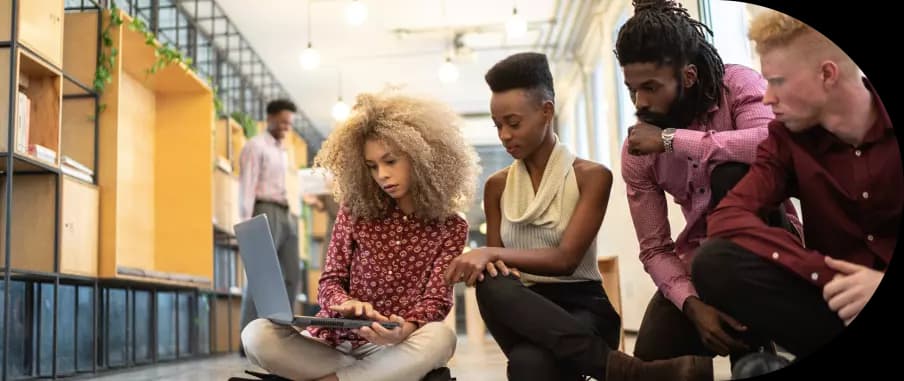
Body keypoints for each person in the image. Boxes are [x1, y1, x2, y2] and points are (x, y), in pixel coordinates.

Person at [444, 52, 711, 381]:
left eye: (513, 123)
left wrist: (490, 252)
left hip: (583, 307)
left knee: (530, 365)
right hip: (522, 306)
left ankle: (612, 368)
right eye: (498, 125)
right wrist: (489, 258)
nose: (504, 135)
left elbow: (566, 260)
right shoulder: (497, 187)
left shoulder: (592, 176)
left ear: (547, 111)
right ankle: (630, 372)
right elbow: (501, 270)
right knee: (491, 283)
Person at [692, 9, 900, 363]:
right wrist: (823, 271)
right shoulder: (786, 139)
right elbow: (727, 218)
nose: (768, 98)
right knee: (712, 262)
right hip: (835, 301)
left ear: (827, 74)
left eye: (778, 81)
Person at [240, 90, 480, 381]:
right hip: (330, 344)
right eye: (372, 166)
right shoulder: (354, 210)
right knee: (256, 334)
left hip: (392, 349)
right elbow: (330, 281)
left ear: (423, 156)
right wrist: (344, 302)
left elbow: (436, 301)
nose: (382, 175)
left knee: (441, 338)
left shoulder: (451, 227)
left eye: (390, 161)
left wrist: (405, 330)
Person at [614, 0, 801, 362]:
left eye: (651, 87)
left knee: (731, 173)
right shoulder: (637, 149)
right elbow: (654, 248)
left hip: (770, 248)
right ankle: (753, 353)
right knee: (652, 360)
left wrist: (672, 139)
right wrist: (692, 305)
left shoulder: (738, 85)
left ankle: (753, 356)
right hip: (699, 261)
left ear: (688, 77)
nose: (641, 102)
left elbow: (768, 142)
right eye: (632, 89)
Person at [238, 99, 302, 354]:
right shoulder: (255, 146)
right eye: (284, 122)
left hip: (288, 214)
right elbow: (247, 186)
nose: (287, 127)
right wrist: (246, 226)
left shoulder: (284, 150)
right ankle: (247, 342)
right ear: (270, 118)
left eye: (290, 123)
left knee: (292, 277)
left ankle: (280, 339)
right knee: (259, 277)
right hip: (264, 210)